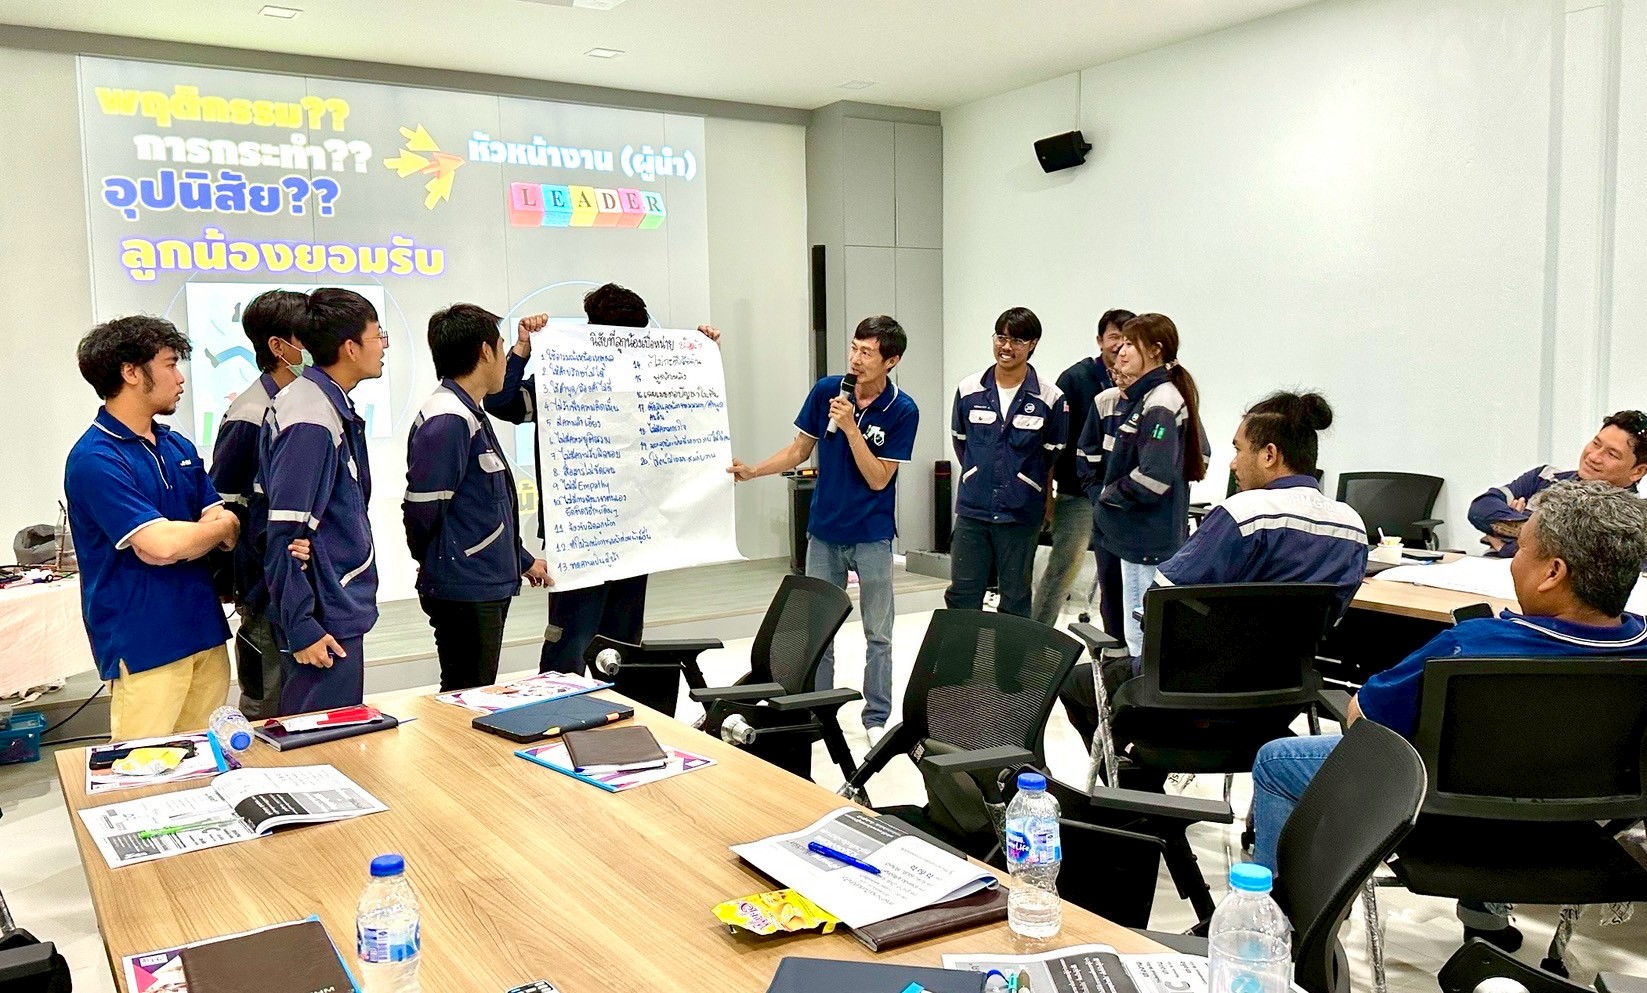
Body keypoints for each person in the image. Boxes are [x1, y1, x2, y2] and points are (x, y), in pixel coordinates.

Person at [1250, 480, 1647, 947]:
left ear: (1553, 572)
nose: (1513, 561)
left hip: (1444, 818)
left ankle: (1280, 929)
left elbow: (1365, 721)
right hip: (1572, 829)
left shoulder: (1471, 645)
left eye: (1521, 549)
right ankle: (1486, 922)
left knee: (1277, 762)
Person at [1059, 391, 1368, 744]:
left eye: (1239, 450)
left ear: (1269, 455)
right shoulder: (1352, 527)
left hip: (1189, 695)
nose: (1233, 464)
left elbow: (1161, 599)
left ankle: (1133, 775)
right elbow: (1330, 617)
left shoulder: (1244, 513)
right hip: (1279, 702)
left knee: (1075, 684)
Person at [485, 283, 720, 674]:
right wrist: (523, 348)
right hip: (582, 532)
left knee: (620, 644)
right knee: (573, 640)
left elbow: (695, 419)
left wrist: (700, 355)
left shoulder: (651, 377)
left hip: (634, 533)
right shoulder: (565, 378)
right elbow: (501, 401)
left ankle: (612, 707)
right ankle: (565, 704)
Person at [729, 316, 918, 743]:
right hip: (824, 532)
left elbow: (878, 479)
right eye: (854, 348)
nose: (856, 359)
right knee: (819, 631)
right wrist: (755, 470)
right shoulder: (827, 391)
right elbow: (800, 449)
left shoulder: (903, 410)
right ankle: (817, 709)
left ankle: (876, 717)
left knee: (878, 632)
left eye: (867, 352)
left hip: (871, 534)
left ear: (891, 360)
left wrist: (851, 429)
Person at [65, 316, 239, 741]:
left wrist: (209, 530)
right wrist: (201, 533)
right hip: (144, 641)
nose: (180, 379)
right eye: (170, 364)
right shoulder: (96, 459)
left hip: (204, 630)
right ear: (130, 372)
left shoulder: (177, 445)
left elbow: (226, 526)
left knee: (210, 759)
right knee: (146, 768)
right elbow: (162, 546)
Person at [404, 304, 551, 693]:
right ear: (486, 351)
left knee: (474, 689)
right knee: (466, 694)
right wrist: (439, 563)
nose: (504, 356)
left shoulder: (467, 411)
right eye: (502, 347)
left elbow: (481, 509)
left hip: (478, 580)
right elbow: (422, 511)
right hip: (465, 587)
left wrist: (522, 560)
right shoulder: (448, 419)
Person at [261, 288, 386, 714]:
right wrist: (303, 626)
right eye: (378, 336)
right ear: (350, 347)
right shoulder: (310, 417)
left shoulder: (324, 403)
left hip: (333, 599)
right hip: (323, 614)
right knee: (321, 736)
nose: (383, 347)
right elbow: (285, 533)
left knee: (338, 732)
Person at [1077, 313, 1207, 657]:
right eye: (1120, 343)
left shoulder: (1161, 401)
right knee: (1137, 634)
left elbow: (1153, 478)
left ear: (1155, 350)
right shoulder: (1147, 397)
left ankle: (1139, 690)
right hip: (1134, 535)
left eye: (1130, 344)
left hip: (1146, 537)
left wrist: (1108, 496)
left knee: (1142, 642)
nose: (1120, 352)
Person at [208, 289, 309, 719]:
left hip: (295, 585)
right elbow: (224, 506)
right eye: (307, 336)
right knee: (270, 706)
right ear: (278, 347)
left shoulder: (303, 403)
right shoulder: (250, 414)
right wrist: (244, 586)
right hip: (265, 588)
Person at [946, 307, 1069, 617]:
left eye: (1017, 340)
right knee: (963, 594)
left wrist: (1019, 479)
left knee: (1015, 596)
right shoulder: (969, 389)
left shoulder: (1050, 397)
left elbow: (1052, 451)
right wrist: (980, 472)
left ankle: (1007, 652)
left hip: (1020, 512)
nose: (1006, 347)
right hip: (973, 511)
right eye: (1001, 337)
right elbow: (961, 442)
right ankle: (965, 651)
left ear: (1033, 344)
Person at [1032, 308, 1134, 630]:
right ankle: (1037, 635)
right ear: (1100, 340)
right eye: (1113, 337)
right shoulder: (1076, 379)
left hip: (1122, 497)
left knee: (1119, 575)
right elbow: (1051, 441)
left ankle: (1116, 643)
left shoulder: (1140, 382)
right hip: (1078, 494)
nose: (1119, 345)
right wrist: (1048, 495)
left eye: (1127, 339)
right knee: (1064, 567)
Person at [1468, 410, 1647, 557]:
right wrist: (1541, 533)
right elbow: (1481, 508)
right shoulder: (1544, 477)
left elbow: (1580, 565)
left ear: (1638, 471)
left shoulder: (1634, 522)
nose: (1594, 456)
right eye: (1596, 443)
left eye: (1611, 454)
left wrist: (1509, 544)